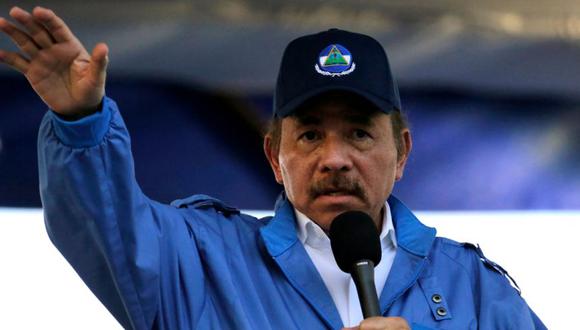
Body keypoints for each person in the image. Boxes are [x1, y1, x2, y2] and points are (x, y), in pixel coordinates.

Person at [0, 6, 546, 330]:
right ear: (273, 158)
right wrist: (81, 122)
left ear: (402, 152)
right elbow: (108, 228)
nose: (334, 158)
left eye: (359, 132)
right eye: (309, 134)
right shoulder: (202, 262)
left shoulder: (473, 290)